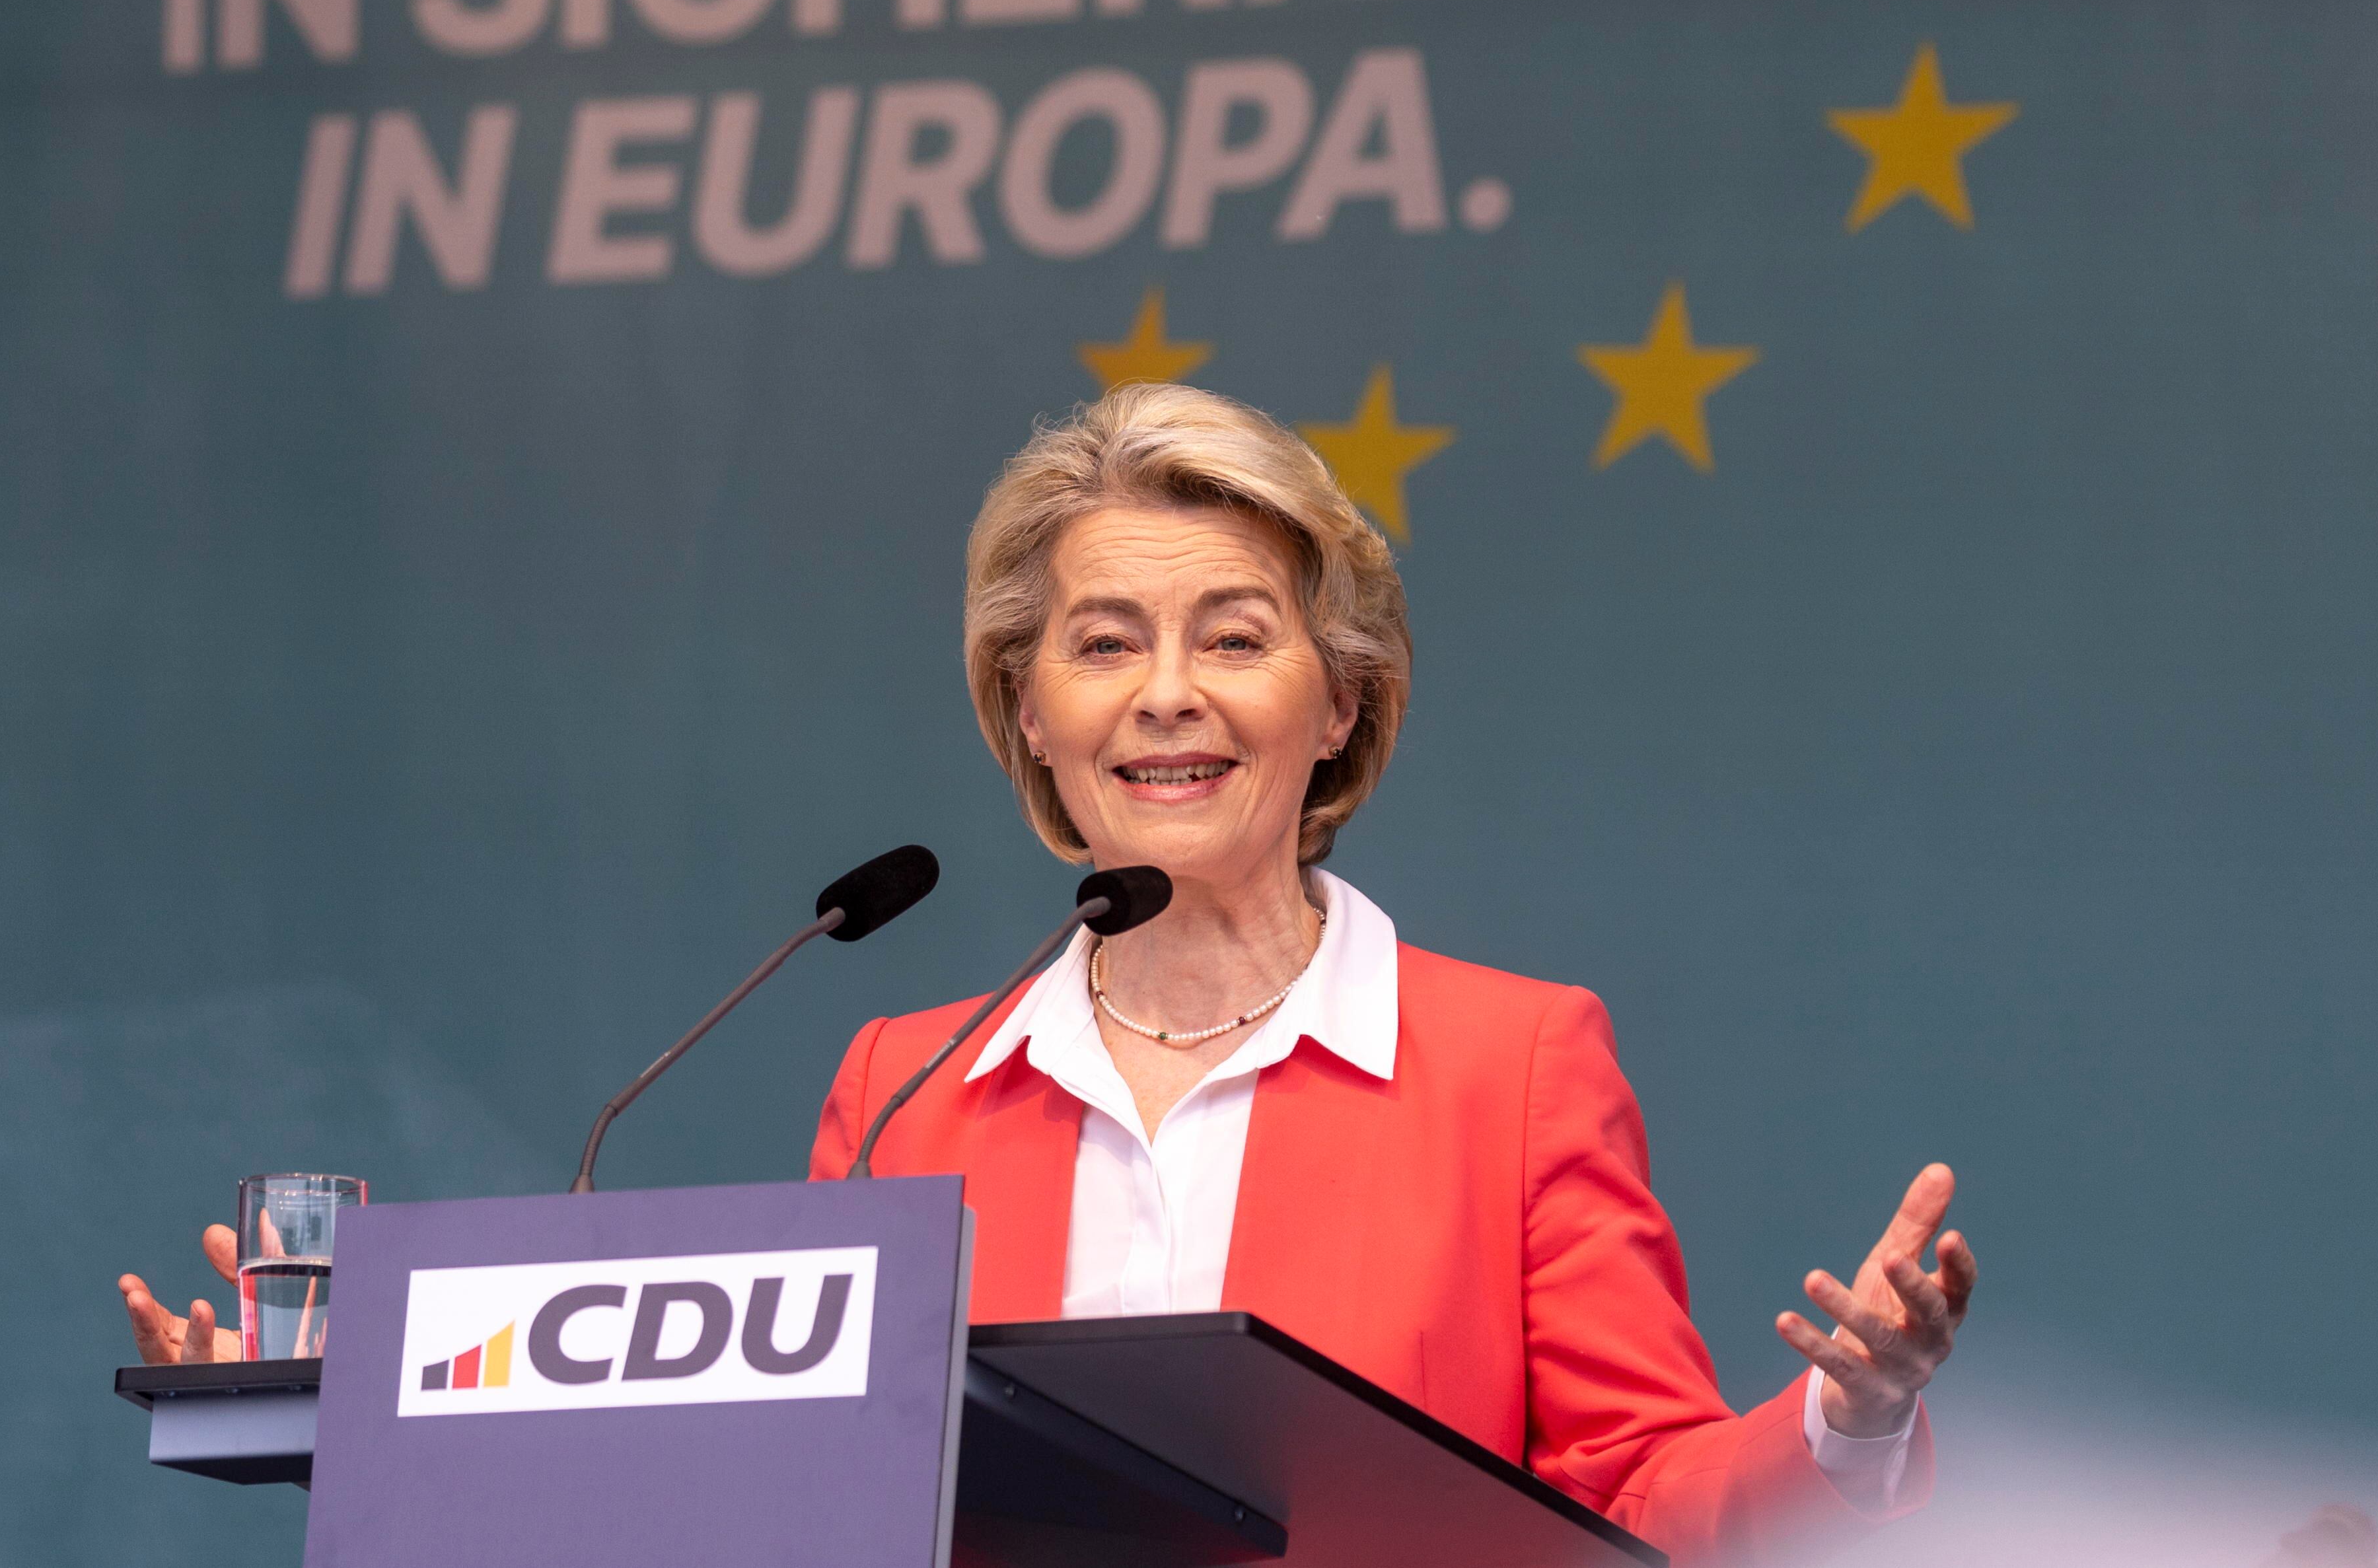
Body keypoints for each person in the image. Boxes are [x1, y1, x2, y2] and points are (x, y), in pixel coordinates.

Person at [124, 384, 1975, 1560]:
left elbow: (1635, 1497)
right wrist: (328, 1404)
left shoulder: (1512, 1062)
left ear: (1335, 701)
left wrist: (1852, 1419)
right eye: (1105, 643)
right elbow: (765, 1496)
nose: (1166, 691)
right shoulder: (907, 1085)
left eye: (1234, 637)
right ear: (1034, 711)